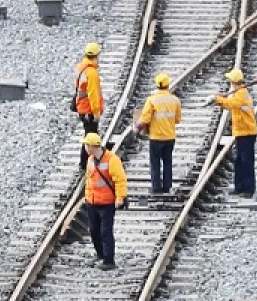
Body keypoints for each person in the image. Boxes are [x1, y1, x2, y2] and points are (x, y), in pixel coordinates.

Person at [83, 132, 127, 270]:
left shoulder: (112, 160)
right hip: (92, 202)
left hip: (107, 203)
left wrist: (120, 198)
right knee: (94, 230)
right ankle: (100, 254)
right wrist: (87, 196)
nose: (84, 147)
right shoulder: (90, 160)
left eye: (86, 145)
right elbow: (88, 180)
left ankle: (109, 260)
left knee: (106, 231)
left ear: (91, 146)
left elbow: (120, 180)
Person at [212, 68, 257, 196]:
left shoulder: (242, 94)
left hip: (247, 133)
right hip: (241, 132)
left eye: (230, 81)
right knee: (239, 160)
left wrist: (217, 99)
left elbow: (230, 104)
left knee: (246, 161)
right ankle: (239, 187)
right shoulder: (238, 92)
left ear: (234, 82)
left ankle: (248, 189)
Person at [137, 72, 182, 194]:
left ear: (157, 85)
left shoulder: (152, 100)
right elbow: (177, 119)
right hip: (170, 137)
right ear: (168, 85)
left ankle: (156, 187)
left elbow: (145, 119)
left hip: (156, 137)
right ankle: (167, 187)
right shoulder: (175, 100)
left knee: (155, 162)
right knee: (168, 162)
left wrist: (138, 125)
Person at [73, 42, 103, 168]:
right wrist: (96, 113)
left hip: (81, 107)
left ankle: (84, 163)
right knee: (91, 136)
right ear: (96, 56)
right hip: (88, 109)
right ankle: (85, 164)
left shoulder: (80, 67)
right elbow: (93, 94)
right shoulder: (92, 73)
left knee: (88, 134)